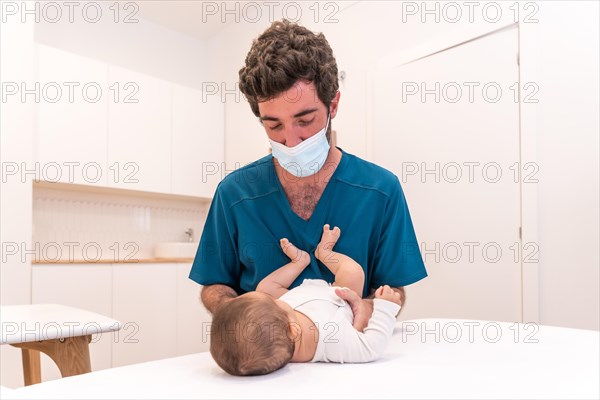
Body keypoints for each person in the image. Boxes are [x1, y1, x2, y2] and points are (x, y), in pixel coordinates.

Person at [189, 19, 427, 330]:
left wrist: (370, 307)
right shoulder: (235, 193)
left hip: (350, 354)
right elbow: (214, 286)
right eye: (273, 125)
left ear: (333, 104)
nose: (290, 141)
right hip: (265, 360)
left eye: (305, 120)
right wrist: (238, 313)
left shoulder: (380, 190)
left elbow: (394, 288)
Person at [210, 224, 402, 376]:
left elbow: (271, 310)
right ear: (293, 330)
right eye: (275, 304)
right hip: (338, 294)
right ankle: (325, 253)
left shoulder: (279, 332)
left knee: (264, 288)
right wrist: (386, 308)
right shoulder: (333, 342)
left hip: (300, 296)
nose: (273, 300)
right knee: (353, 272)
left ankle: (299, 262)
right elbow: (371, 347)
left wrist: (275, 301)